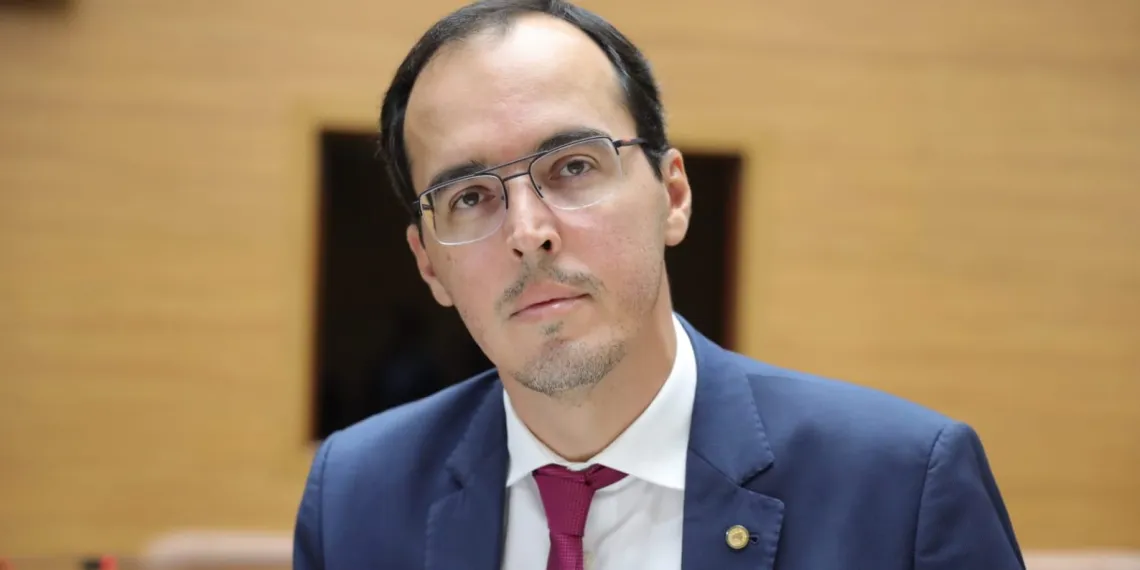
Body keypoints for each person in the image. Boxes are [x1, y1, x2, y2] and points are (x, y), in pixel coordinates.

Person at [292, 1, 1026, 569]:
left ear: (672, 196)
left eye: (572, 166)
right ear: (430, 264)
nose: (527, 231)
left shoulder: (902, 487)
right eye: (470, 197)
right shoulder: (356, 495)